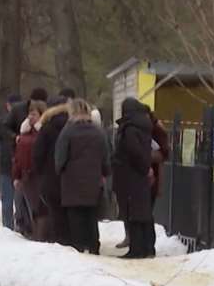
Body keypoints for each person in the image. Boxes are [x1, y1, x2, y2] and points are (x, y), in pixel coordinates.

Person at [55, 99, 110, 254]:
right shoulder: (98, 131)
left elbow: (60, 157)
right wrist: (104, 172)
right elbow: (105, 156)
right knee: (91, 215)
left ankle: (78, 246)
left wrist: (60, 171)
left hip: (71, 181)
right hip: (93, 180)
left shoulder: (67, 132)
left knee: (75, 216)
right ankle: (93, 245)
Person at [113, 98, 158, 258]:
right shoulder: (143, 127)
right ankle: (147, 248)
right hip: (139, 175)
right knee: (142, 212)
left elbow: (133, 151)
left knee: (133, 213)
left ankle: (137, 249)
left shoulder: (129, 129)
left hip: (129, 175)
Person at [0, 94, 29, 230]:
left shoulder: (7, 122)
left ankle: (12, 226)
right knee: (14, 199)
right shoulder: (7, 122)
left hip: (12, 164)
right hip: (12, 165)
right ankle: (12, 226)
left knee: (13, 199)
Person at [31, 96, 71, 244]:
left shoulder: (47, 128)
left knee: (54, 212)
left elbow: (38, 154)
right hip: (71, 176)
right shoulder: (73, 125)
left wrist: (40, 172)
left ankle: (58, 241)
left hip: (50, 176)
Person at [12, 92, 47, 240]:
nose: (30, 117)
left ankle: (40, 237)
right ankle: (31, 232)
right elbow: (18, 157)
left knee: (39, 209)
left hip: (39, 176)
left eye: (34, 114)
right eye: (29, 114)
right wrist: (16, 175)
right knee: (28, 208)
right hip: (26, 176)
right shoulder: (25, 133)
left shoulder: (44, 133)